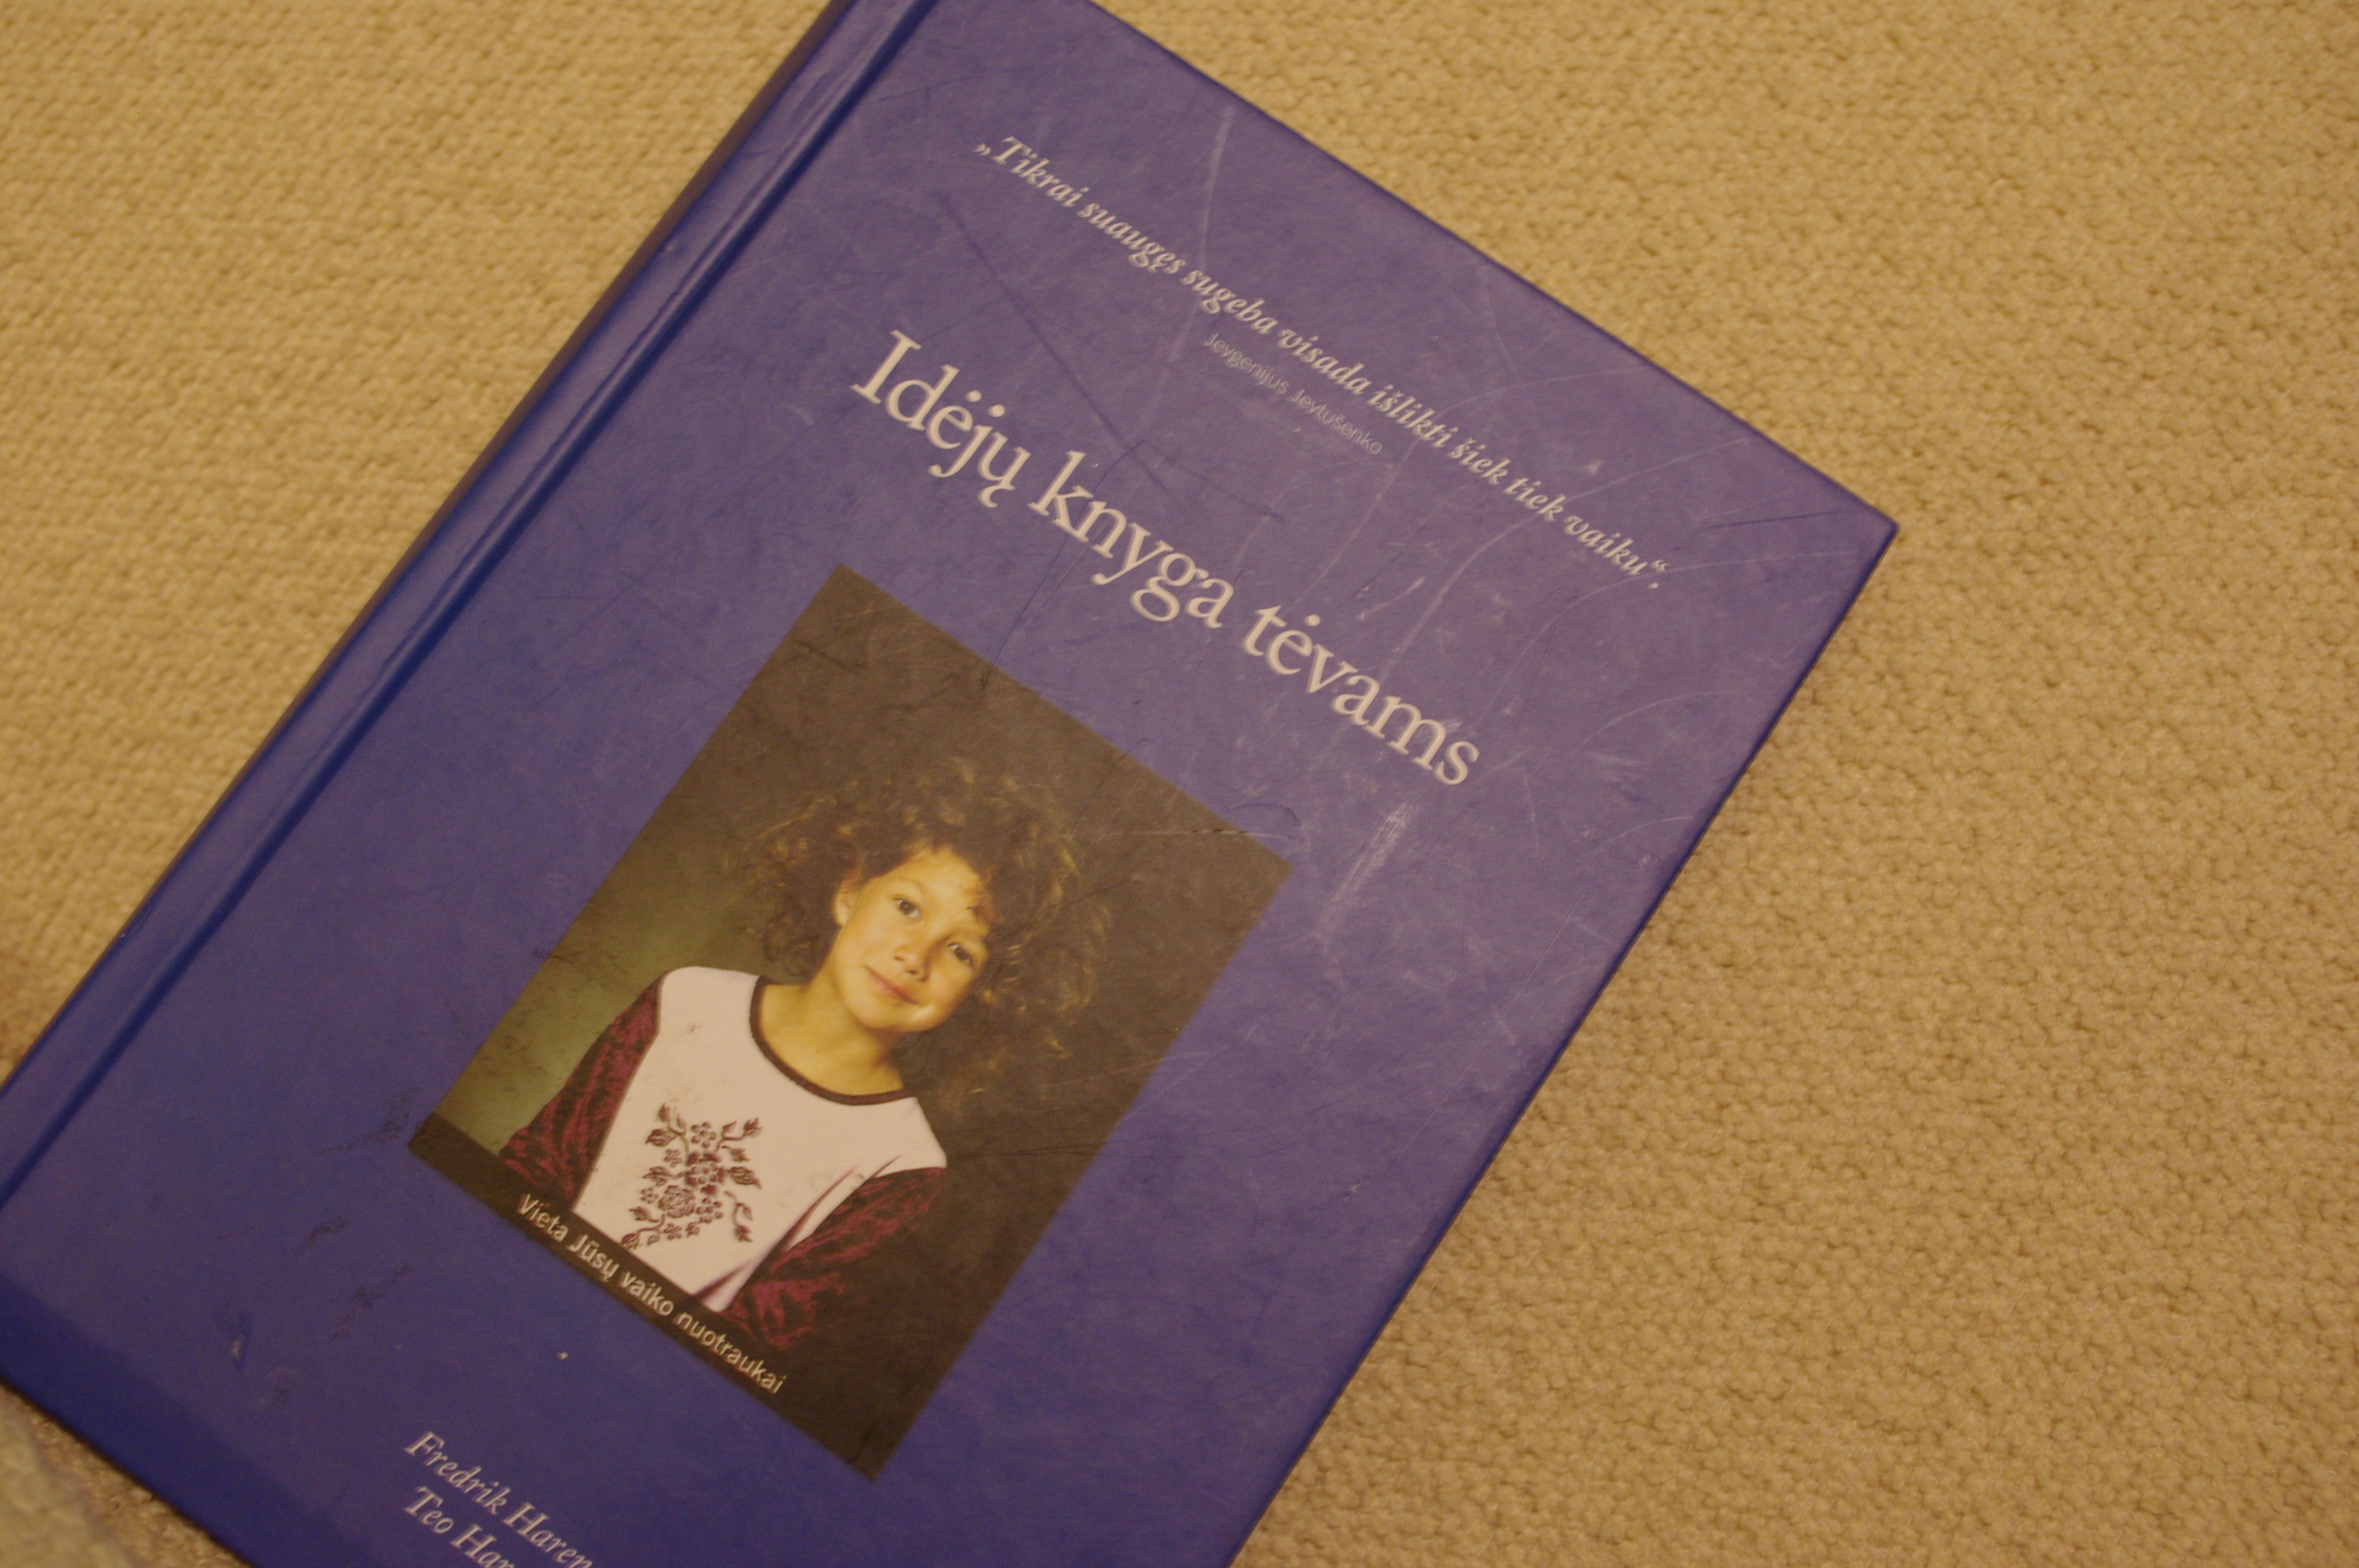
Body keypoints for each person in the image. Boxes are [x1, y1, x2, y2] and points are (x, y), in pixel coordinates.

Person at [499, 760, 1101, 1359]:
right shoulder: (687, 999)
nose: (915, 956)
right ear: (849, 892)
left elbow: (757, 1340)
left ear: (986, 993)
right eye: (907, 907)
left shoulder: (905, 1161)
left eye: (961, 952)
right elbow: (541, 1161)